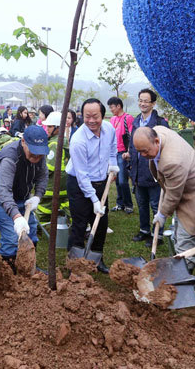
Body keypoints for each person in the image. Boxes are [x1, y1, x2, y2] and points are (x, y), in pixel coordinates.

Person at [132, 126, 195, 272]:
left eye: (145, 151)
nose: (143, 155)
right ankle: (178, 265)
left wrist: (162, 214)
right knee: (177, 233)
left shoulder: (172, 161)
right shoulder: (157, 131)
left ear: (157, 141)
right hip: (181, 188)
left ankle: (184, 273)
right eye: (139, 151)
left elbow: (173, 195)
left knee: (186, 237)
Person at [65, 98, 118, 274]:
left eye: (95, 116)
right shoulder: (78, 140)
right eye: (87, 117)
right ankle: (74, 263)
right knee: (80, 223)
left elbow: (112, 149)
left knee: (101, 223)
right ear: (82, 116)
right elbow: (82, 175)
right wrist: (94, 199)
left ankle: (97, 259)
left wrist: (112, 165)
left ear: (103, 115)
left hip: (101, 181)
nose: (91, 121)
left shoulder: (109, 129)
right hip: (78, 184)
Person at [0, 125, 48, 270]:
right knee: (12, 238)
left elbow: (43, 175)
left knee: (31, 230)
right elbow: (4, 192)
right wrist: (16, 217)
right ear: (23, 142)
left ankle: (28, 267)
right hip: (0, 195)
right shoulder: (10, 158)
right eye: (33, 152)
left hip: (23, 193)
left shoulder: (40, 155)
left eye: (40, 154)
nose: (37, 157)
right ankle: (10, 274)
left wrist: (37, 196)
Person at [125, 88, 169, 246]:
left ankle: (158, 234)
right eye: (140, 100)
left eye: (146, 101)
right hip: (137, 171)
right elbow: (132, 145)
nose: (142, 103)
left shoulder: (160, 123)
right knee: (141, 203)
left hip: (153, 172)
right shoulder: (136, 121)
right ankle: (144, 230)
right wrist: (130, 164)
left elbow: (166, 147)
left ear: (153, 103)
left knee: (156, 204)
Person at [38, 111, 70, 221]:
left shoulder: (54, 144)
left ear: (58, 128)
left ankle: (38, 226)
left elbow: (48, 168)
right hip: (65, 184)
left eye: (50, 126)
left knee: (43, 207)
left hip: (53, 185)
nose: (47, 129)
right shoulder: (65, 141)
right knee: (66, 205)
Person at [107, 97, 135, 214]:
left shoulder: (128, 118)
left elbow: (132, 135)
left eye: (112, 107)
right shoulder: (112, 119)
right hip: (113, 152)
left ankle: (129, 205)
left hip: (123, 152)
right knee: (117, 180)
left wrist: (129, 152)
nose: (111, 109)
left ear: (118, 106)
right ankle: (120, 204)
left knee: (123, 180)